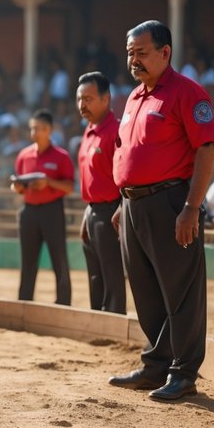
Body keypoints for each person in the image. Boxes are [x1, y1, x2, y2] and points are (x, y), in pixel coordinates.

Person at [108, 20, 214, 402]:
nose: (133, 60)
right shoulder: (135, 97)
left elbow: (206, 149)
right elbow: (128, 152)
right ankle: (156, 366)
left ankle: (184, 372)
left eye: (141, 52)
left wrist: (191, 207)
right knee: (146, 291)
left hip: (172, 203)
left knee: (181, 292)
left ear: (165, 52)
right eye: (129, 53)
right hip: (133, 206)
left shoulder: (188, 93)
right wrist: (125, 200)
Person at [10, 108, 73, 305]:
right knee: (27, 262)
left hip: (52, 211)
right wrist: (17, 187)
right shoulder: (23, 155)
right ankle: (24, 304)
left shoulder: (61, 156)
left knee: (59, 260)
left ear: (49, 130)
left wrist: (49, 183)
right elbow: (17, 186)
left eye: (39, 128)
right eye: (32, 128)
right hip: (28, 211)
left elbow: (70, 187)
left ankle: (63, 304)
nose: (35, 133)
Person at [74, 72, 124, 314]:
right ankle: (97, 321)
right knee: (95, 275)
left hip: (112, 211)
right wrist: (87, 211)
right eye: (79, 99)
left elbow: (128, 175)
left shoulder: (117, 131)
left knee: (111, 275)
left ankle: (113, 324)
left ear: (106, 99)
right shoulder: (89, 130)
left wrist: (122, 208)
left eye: (88, 99)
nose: (82, 105)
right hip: (93, 211)